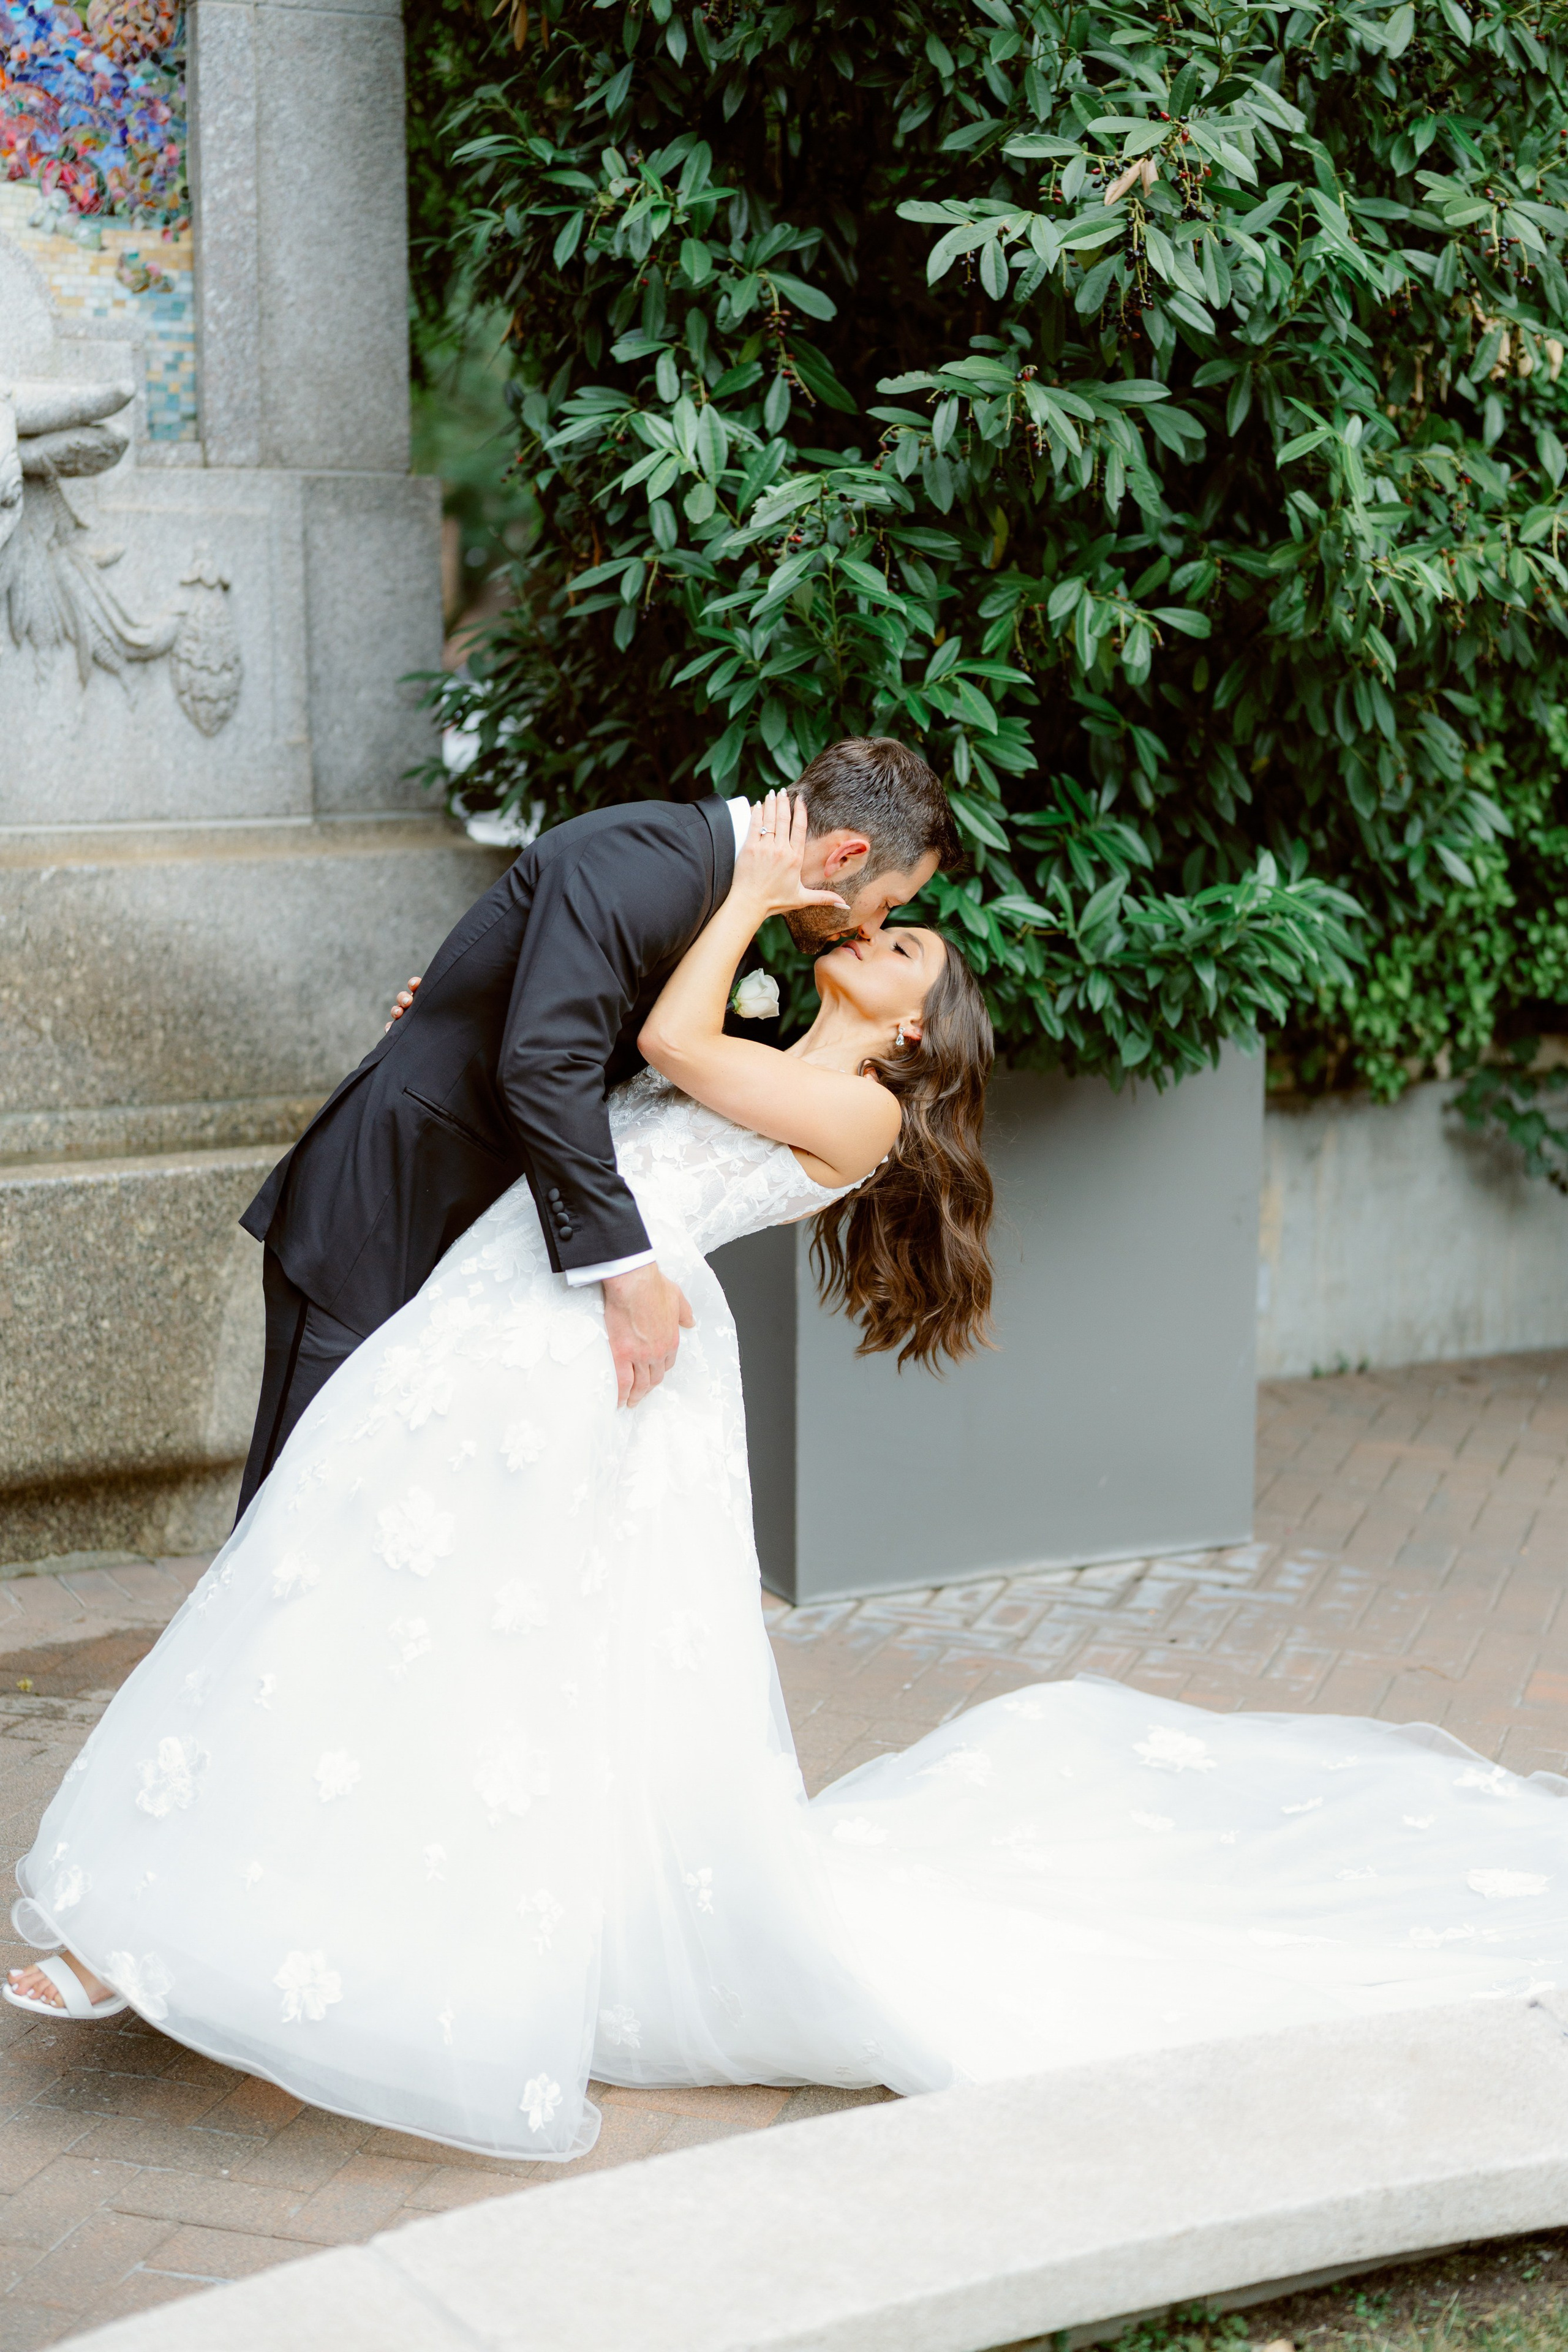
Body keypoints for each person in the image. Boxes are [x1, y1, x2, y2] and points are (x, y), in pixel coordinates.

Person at [8, 800, 1568, 2162]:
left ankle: (231, 1926)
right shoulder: (782, 1052)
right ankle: (208, 1913)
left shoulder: (858, 1110)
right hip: (508, 1330)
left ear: (903, 1032)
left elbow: (672, 1046)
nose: (877, 937)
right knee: (365, 1602)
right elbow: (619, 1061)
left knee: (414, 1622)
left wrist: (753, 892)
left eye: (901, 953)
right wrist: (468, 997)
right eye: (888, 923)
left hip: (582, 1360)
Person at [231, 736, 960, 1519]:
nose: (869, 929)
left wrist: (466, 1007)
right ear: (848, 854)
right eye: (886, 905)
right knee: (298, 1512)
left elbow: (575, 1039)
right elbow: (547, 1062)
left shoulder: (716, 896)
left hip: (484, 1249)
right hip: (385, 1206)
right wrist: (626, 1267)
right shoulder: (654, 859)